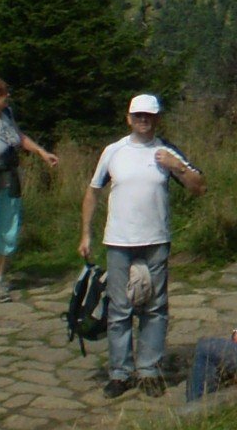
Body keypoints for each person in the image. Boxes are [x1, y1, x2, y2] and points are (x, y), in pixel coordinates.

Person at [80, 93, 203, 398]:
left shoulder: (166, 150)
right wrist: (86, 234)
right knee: (119, 308)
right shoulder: (114, 151)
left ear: (157, 118)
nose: (143, 121)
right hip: (119, 239)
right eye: (138, 116)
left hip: (156, 239)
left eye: (149, 116)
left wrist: (177, 166)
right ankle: (120, 373)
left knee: (155, 308)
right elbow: (93, 192)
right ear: (129, 119)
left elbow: (198, 186)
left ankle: (149, 370)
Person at [0, 77, 59, 305]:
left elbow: (20, 137)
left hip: (9, 183)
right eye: (3, 94)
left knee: (6, 231)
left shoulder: (7, 115)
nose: (8, 97)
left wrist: (42, 152)